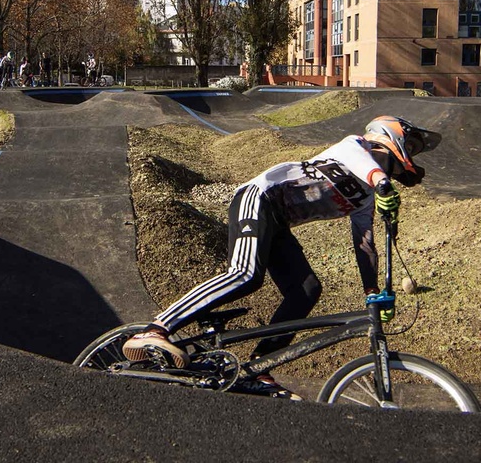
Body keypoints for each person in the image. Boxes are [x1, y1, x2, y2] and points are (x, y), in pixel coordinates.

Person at [121, 116, 441, 398]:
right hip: (258, 198)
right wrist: (381, 182)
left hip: (277, 222)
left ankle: (258, 367)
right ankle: (156, 329)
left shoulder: (366, 197)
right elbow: (362, 163)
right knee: (245, 274)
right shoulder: (355, 146)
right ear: (391, 135)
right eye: (411, 145)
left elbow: (365, 243)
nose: (411, 154)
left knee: (307, 290)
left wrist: (372, 292)